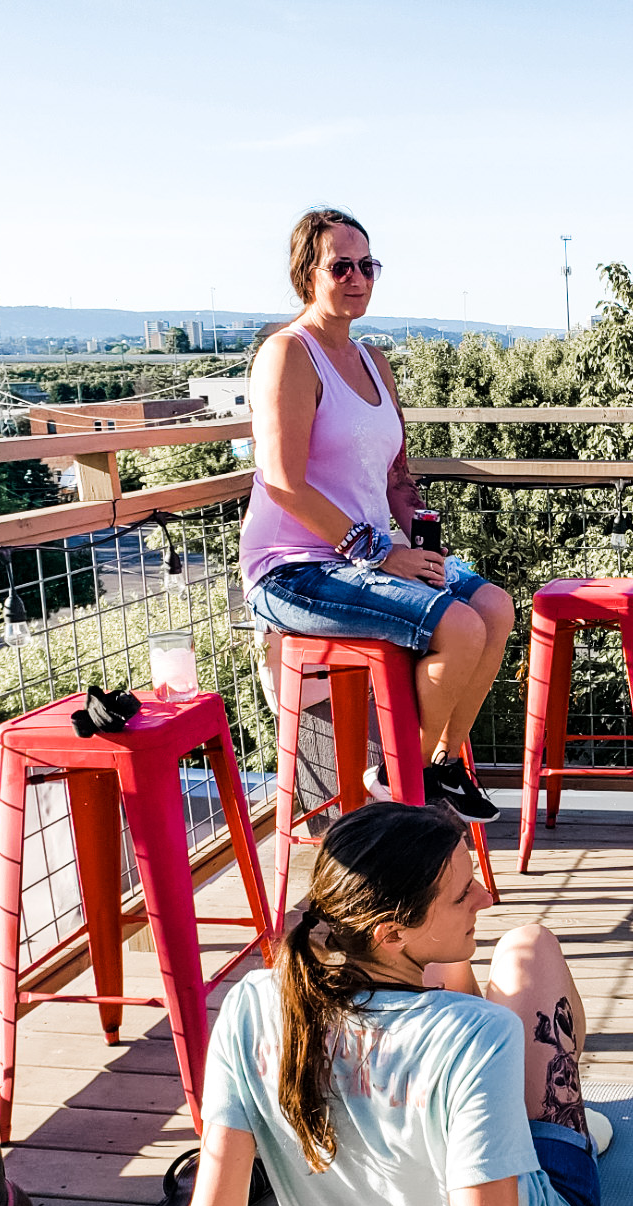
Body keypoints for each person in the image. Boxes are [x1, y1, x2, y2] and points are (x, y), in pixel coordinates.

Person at [167, 803, 601, 1206]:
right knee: (528, 950)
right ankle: (553, 1138)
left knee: (446, 979)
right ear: (390, 931)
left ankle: (503, 1125)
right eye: (461, 895)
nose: (483, 899)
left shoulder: (251, 1006)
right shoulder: (477, 1036)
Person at [239, 207, 512, 823]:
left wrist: (413, 518)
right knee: (459, 627)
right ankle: (400, 778)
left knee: (492, 606)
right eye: (341, 266)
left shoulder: (372, 359)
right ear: (307, 274)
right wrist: (382, 553)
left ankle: (438, 764)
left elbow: (392, 472)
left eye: (368, 265)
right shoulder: (287, 356)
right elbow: (283, 482)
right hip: (295, 567)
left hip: (362, 553)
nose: (357, 277)